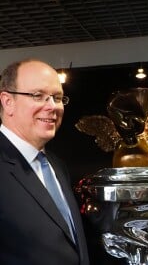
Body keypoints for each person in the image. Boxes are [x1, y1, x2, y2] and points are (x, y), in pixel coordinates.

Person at [0, 59, 90, 265]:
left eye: (57, 98)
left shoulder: (56, 165)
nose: (52, 107)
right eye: (38, 96)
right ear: (8, 102)